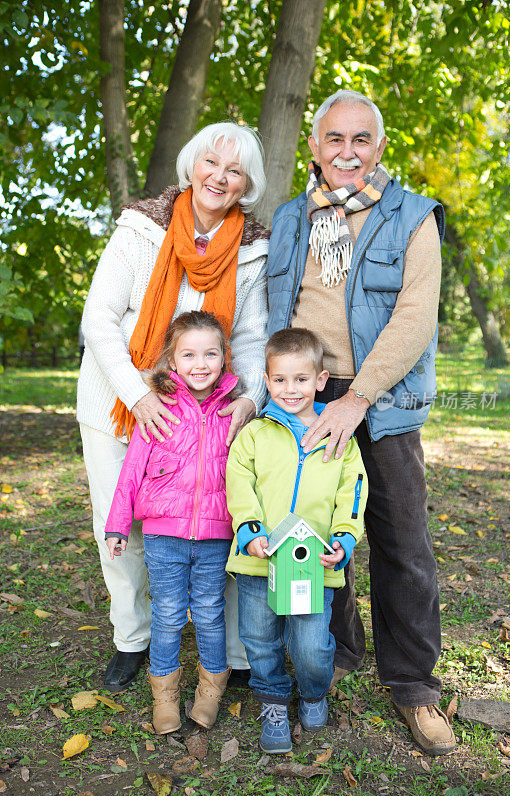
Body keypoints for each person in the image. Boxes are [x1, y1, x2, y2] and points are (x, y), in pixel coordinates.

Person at [265, 90, 456, 756]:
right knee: (317, 538)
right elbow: (275, 312)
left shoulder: (410, 216)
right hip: (306, 399)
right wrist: (283, 400)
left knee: (402, 545)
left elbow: (412, 318)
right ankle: (334, 656)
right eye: (334, 139)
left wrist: (357, 398)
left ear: (379, 146)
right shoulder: (290, 218)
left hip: (382, 400)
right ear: (314, 149)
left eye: (360, 139)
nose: (347, 152)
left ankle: (413, 688)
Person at [77, 122, 269, 693]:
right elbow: (100, 318)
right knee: (122, 527)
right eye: (212, 163)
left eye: (234, 171)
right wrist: (137, 396)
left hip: (210, 417)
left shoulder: (253, 248)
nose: (220, 176)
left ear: (246, 184)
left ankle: (232, 653)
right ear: (191, 166)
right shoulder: (141, 229)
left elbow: (254, 338)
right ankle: (131, 638)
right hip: (120, 402)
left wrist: (251, 400)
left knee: (223, 522)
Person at [225, 328, 368, 753]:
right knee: (259, 638)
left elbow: (353, 491)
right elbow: (238, 482)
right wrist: (249, 529)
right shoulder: (254, 434)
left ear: (320, 381)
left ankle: (312, 692)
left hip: (313, 564)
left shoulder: (337, 437)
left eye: (301, 380)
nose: (291, 389)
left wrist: (344, 538)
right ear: (267, 381)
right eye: (281, 380)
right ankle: (272, 700)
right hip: (259, 562)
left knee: (311, 644)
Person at [105, 311, 237, 734]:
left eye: (210, 353)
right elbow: (130, 474)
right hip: (164, 536)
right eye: (189, 355)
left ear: (224, 357)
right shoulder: (158, 410)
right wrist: (116, 526)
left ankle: (210, 691)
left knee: (210, 614)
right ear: (173, 361)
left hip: (217, 536)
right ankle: (164, 696)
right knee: (167, 614)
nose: (201, 364)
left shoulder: (233, 413)